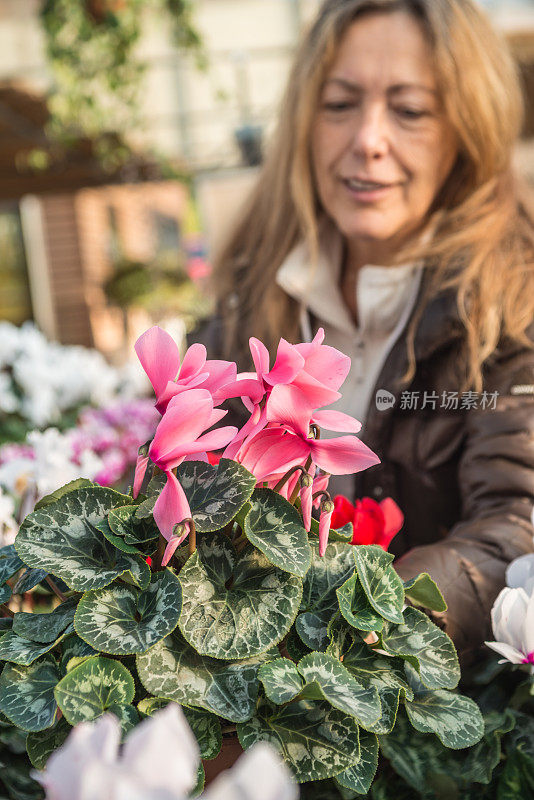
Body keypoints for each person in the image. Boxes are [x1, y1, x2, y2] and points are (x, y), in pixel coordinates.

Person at [201, 0, 534, 667]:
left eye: (409, 110)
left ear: (466, 130)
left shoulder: (513, 305)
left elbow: (516, 524)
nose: (368, 140)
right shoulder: (250, 296)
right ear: (305, 120)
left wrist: (376, 614)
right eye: (339, 104)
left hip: (427, 703)